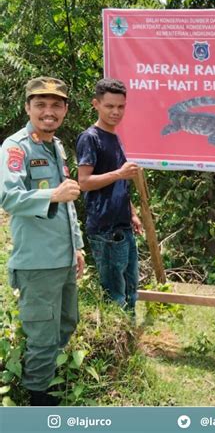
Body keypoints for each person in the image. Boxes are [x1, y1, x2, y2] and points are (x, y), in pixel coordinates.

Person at [0, 77, 84, 406]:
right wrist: (54, 193)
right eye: (40, 105)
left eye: (56, 105)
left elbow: (67, 206)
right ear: (27, 108)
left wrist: (76, 245)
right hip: (38, 263)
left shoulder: (55, 145)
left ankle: (49, 383)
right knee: (43, 337)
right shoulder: (16, 147)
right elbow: (9, 197)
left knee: (66, 323)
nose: (48, 112)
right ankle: (41, 407)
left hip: (62, 258)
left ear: (64, 109)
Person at [76, 78, 142, 313]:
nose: (116, 112)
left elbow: (121, 183)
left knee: (131, 286)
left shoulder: (115, 138)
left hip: (122, 225)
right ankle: (118, 347)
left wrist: (132, 213)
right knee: (115, 293)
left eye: (120, 107)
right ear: (96, 104)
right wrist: (119, 173)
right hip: (105, 229)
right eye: (109, 106)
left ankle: (131, 339)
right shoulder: (90, 138)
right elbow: (83, 182)